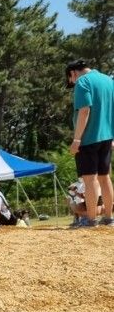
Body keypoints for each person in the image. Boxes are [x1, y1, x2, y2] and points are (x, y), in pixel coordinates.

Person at [66, 60, 114, 226]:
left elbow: (84, 110)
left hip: (88, 139)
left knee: (90, 180)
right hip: (107, 137)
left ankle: (91, 220)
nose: (73, 84)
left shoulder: (82, 82)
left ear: (73, 73)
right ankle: (109, 218)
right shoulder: (109, 80)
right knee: (105, 177)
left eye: (70, 80)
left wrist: (77, 140)